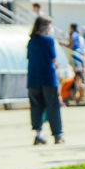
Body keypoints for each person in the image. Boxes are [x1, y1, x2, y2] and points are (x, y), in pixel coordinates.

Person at [27, 16, 63, 145]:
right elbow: (52, 59)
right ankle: (57, 135)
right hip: (48, 78)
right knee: (53, 107)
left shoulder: (31, 41)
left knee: (36, 108)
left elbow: (30, 58)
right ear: (46, 27)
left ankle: (38, 134)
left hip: (33, 79)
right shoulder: (48, 41)